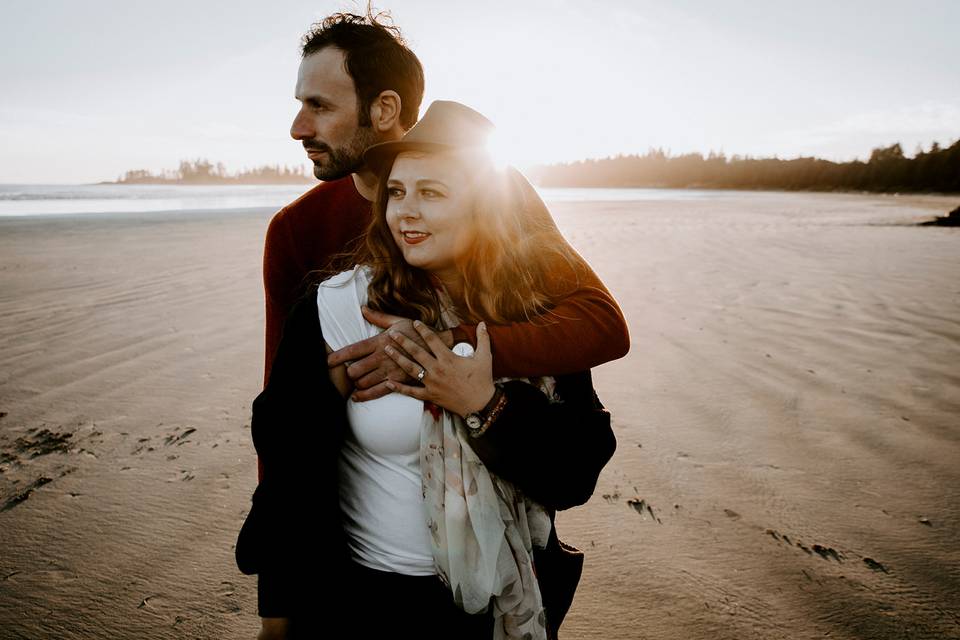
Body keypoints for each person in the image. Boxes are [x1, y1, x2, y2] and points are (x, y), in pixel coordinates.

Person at [237, 101, 622, 639]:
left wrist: (482, 405)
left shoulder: (533, 321)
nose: (405, 212)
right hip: (362, 604)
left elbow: (574, 474)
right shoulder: (340, 307)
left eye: (432, 193)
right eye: (396, 191)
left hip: (490, 608)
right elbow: (286, 464)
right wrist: (276, 613)